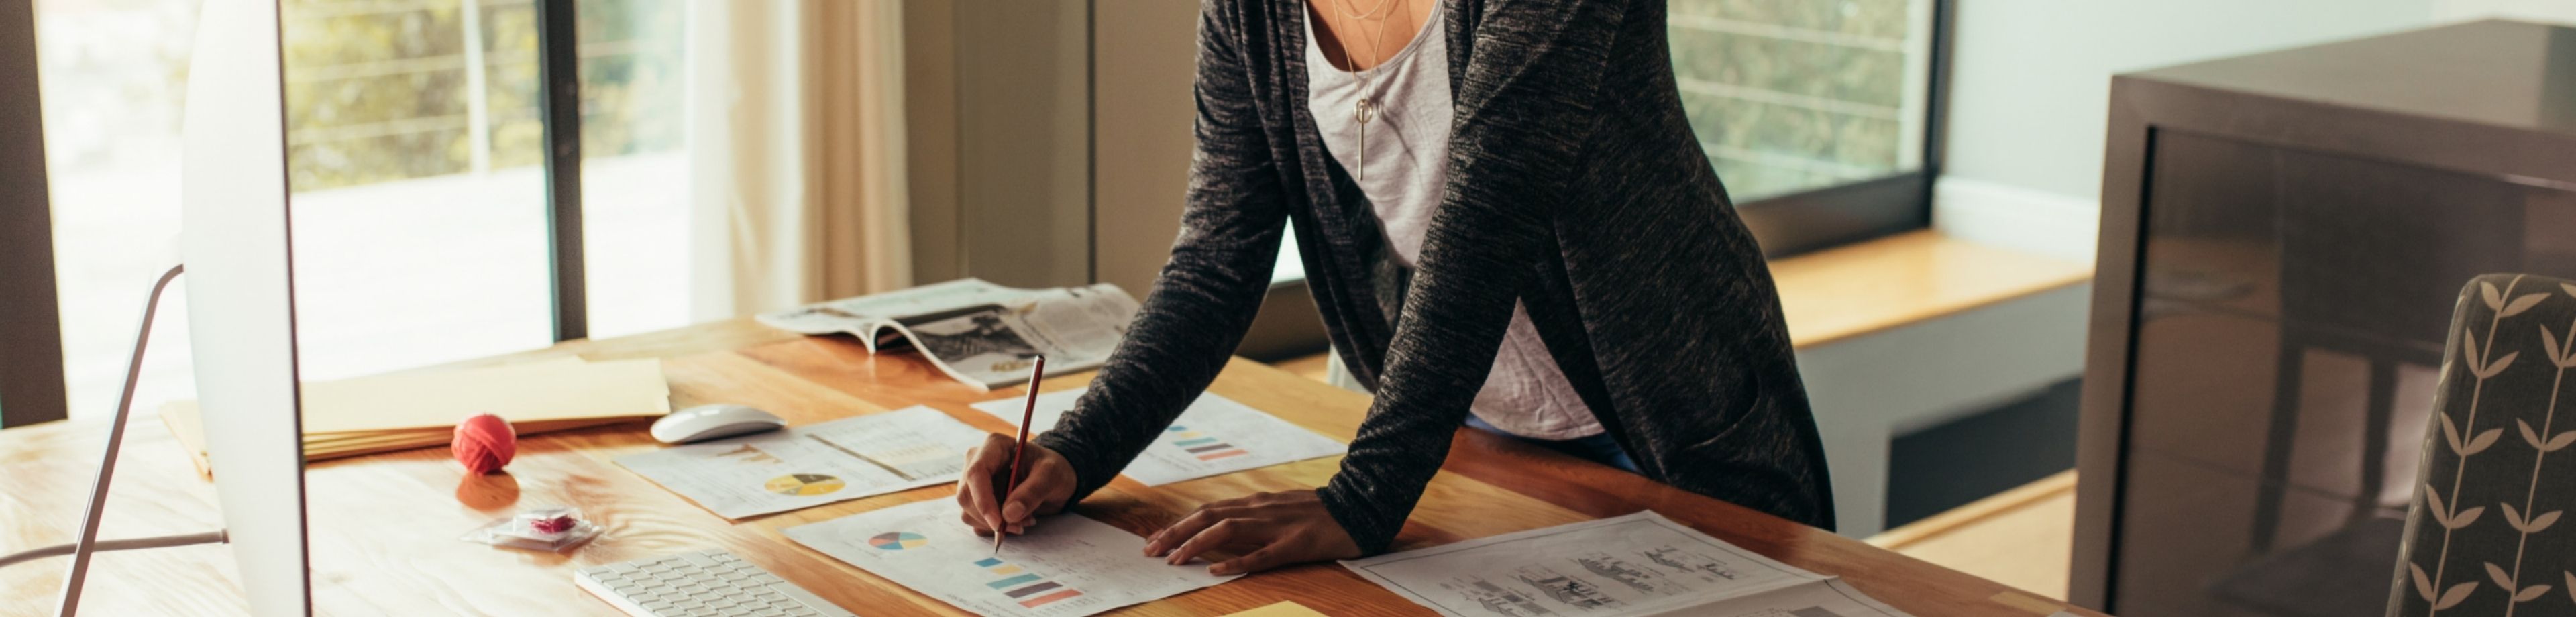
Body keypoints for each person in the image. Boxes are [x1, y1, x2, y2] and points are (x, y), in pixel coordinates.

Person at [955, 0, 1833, 575]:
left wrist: (1364, 496)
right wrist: (1076, 450)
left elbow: (1488, 217)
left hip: (1670, 417)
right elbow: (1218, 260)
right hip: (1473, 432)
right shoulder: (1249, 12)